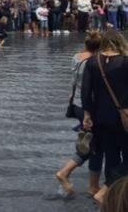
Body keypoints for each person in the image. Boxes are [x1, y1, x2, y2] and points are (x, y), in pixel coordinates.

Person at [82, 29, 128, 204]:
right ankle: (107, 191)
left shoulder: (93, 62)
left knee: (111, 157)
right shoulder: (125, 62)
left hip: (101, 117)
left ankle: (112, 198)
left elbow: (86, 92)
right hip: (124, 118)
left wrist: (87, 114)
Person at [55, 32, 103, 196]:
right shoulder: (94, 62)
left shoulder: (76, 57)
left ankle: (91, 184)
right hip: (87, 106)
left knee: (91, 143)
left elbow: (74, 81)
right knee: (95, 147)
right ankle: (68, 174)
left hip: (75, 104)